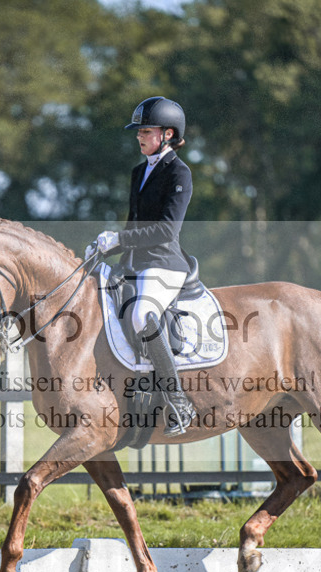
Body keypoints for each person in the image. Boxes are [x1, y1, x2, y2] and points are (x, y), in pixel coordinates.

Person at [87, 96, 196, 436]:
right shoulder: (139, 172)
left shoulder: (179, 173)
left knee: (140, 315)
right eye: (138, 132)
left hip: (165, 263)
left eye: (145, 131)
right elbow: (134, 225)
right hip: (136, 261)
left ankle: (179, 402)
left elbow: (166, 230)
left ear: (167, 134)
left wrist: (119, 239)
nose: (139, 137)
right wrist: (105, 250)